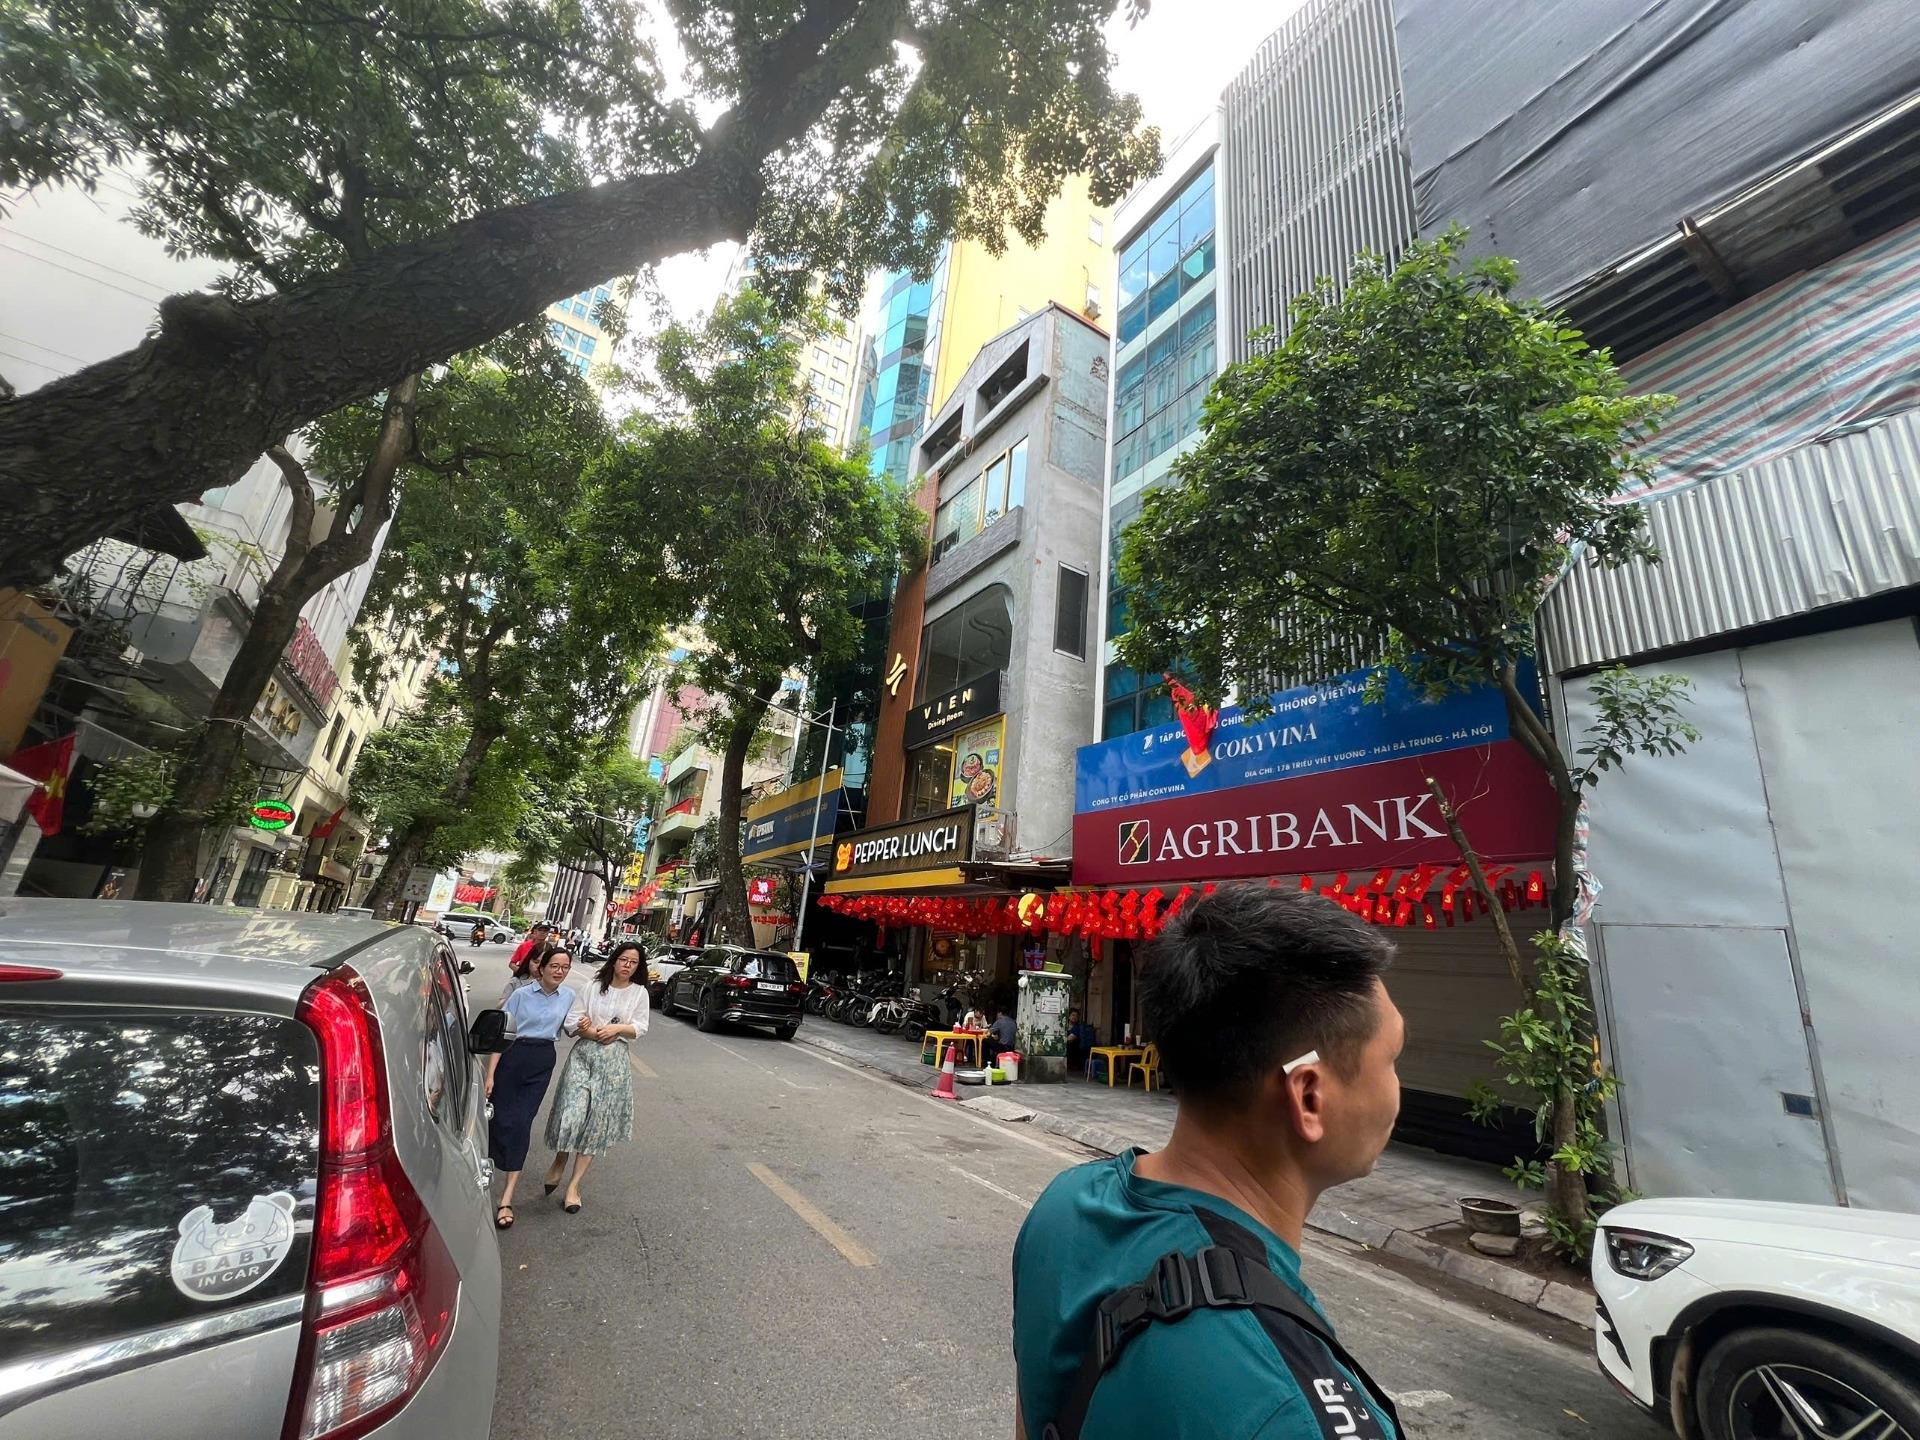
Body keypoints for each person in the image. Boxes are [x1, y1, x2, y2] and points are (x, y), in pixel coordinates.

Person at [1011, 885, 1404, 1440]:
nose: (1396, 1088)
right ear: (1309, 1096)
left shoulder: (1063, 1205)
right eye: (1392, 1059)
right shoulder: (1292, 1416)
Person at [542, 941, 650, 1213]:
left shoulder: (639, 993)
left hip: (614, 1062)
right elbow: (572, 1021)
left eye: (633, 962)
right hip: (583, 1056)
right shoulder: (592, 987)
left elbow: (640, 1027)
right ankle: (561, 1157)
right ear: (614, 960)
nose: (627, 966)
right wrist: (591, 1032)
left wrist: (617, 1029)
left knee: (596, 1123)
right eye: (623, 960)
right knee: (572, 1112)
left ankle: (574, 1185)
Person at [485, 946, 576, 1230]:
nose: (559, 971)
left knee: (521, 1124)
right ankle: (483, 1179)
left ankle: (506, 1198)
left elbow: (575, 1025)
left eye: (565, 967)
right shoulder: (521, 995)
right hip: (513, 1057)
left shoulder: (569, 997)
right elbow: (501, 1036)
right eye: (555, 966)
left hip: (542, 1060)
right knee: (499, 1121)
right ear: (542, 967)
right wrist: (490, 1074)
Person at [1064, 1008, 1097, 1076]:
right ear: (1069, 1016)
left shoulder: (1077, 1027)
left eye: (1076, 1016)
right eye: (1073, 1015)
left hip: (1075, 1051)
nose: (1074, 1017)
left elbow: (1070, 1039)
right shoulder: (1065, 1026)